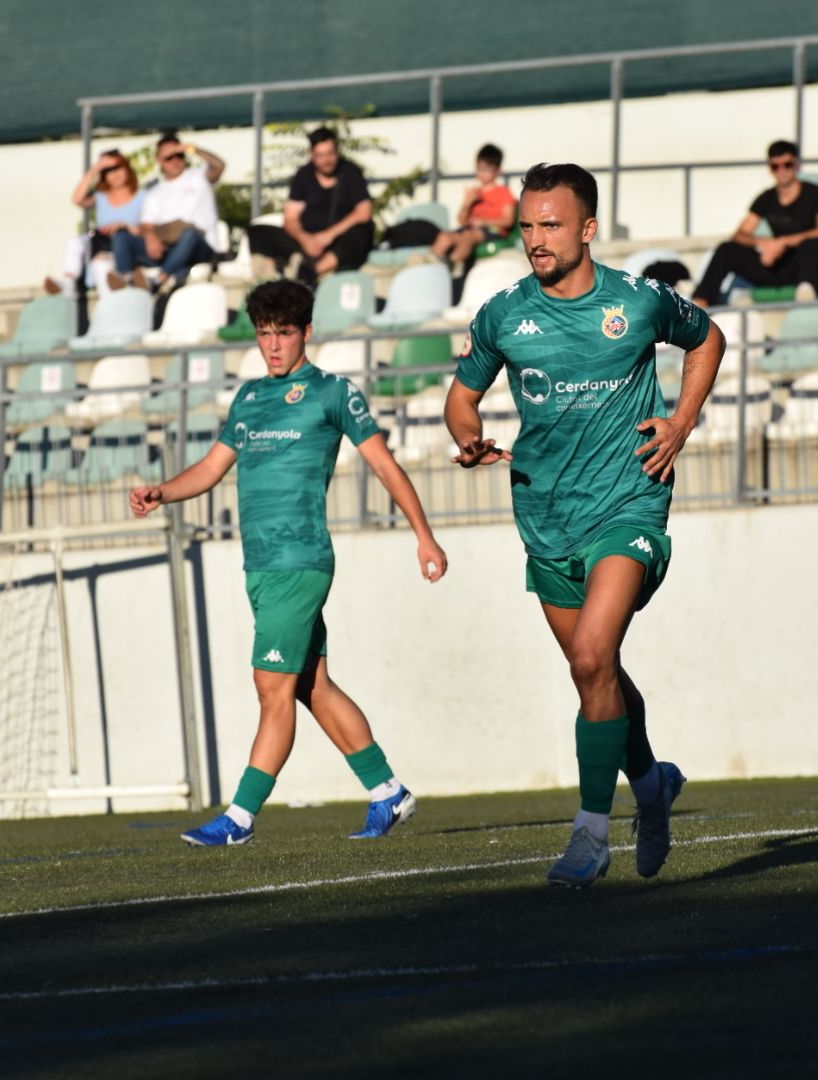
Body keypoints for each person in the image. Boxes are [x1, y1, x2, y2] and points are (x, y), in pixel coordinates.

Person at [443, 163, 726, 888]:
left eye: (552, 225)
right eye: (527, 226)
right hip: (545, 516)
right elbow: (461, 396)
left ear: (588, 228)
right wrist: (468, 435)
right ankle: (652, 783)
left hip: (629, 502)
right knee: (593, 673)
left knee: (593, 656)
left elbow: (708, 338)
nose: (536, 240)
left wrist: (683, 420)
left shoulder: (635, 302)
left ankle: (591, 834)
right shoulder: (504, 313)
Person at [130, 279, 448, 846]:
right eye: (264, 334)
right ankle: (387, 792)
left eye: (283, 333)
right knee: (310, 684)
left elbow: (385, 465)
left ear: (306, 332)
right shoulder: (250, 398)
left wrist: (424, 537)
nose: (273, 345)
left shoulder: (333, 393)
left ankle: (240, 819)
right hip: (262, 565)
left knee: (270, 685)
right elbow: (210, 468)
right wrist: (163, 492)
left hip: (299, 560)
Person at [691, 140, 818, 308]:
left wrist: (782, 242)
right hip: (776, 265)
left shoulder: (817, 193)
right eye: (776, 166)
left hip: (807, 267)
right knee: (727, 249)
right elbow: (739, 234)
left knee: (813, 245)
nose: (781, 171)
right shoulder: (766, 198)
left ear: (797, 165)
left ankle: (807, 295)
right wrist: (764, 244)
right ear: (770, 168)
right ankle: (699, 305)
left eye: (787, 164)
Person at [248, 128, 376, 282]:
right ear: (312, 155)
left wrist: (329, 235)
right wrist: (306, 239)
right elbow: (290, 218)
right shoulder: (303, 175)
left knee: (363, 232)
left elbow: (364, 212)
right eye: (321, 155)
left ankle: (313, 271)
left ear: (337, 152)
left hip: (339, 241)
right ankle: (270, 279)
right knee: (257, 232)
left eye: (330, 154)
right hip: (307, 244)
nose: (326, 160)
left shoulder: (350, 171)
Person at [111, 133, 226, 292]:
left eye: (179, 155)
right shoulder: (154, 192)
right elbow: (147, 225)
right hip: (167, 249)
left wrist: (191, 148)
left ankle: (158, 280)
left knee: (189, 234)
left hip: (200, 247)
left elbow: (219, 165)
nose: (175, 160)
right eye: (169, 157)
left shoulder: (199, 176)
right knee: (122, 236)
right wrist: (151, 238)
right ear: (159, 160)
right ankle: (126, 281)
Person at [44, 149, 144, 296]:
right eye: (108, 170)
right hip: (101, 244)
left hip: (127, 247)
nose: (115, 173)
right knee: (76, 242)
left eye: (118, 167)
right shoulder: (101, 197)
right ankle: (68, 281)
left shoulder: (142, 197)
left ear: (127, 168)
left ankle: (111, 299)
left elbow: (148, 230)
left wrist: (123, 225)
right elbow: (77, 199)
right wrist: (96, 169)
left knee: (101, 263)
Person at [432, 143, 518, 270]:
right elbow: (461, 221)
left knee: (468, 237)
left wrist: (484, 222)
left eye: (486, 169)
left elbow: (508, 220)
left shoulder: (503, 192)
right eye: (479, 169)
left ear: (498, 171)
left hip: (492, 230)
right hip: (469, 228)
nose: (482, 173)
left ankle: (455, 267)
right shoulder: (474, 193)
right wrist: (467, 203)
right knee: (444, 237)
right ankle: (432, 264)